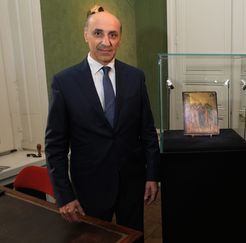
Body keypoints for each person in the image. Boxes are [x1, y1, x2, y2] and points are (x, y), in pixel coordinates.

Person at [45, 6, 160, 241]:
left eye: (113, 35)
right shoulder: (64, 82)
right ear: (85, 35)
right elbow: (55, 145)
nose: (106, 42)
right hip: (89, 188)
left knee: (134, 237)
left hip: (132, 183)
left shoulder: (135, 77)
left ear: (119, 39)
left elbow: (147, 132)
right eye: (98, 33)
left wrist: (152, 176)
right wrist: (64, 195)